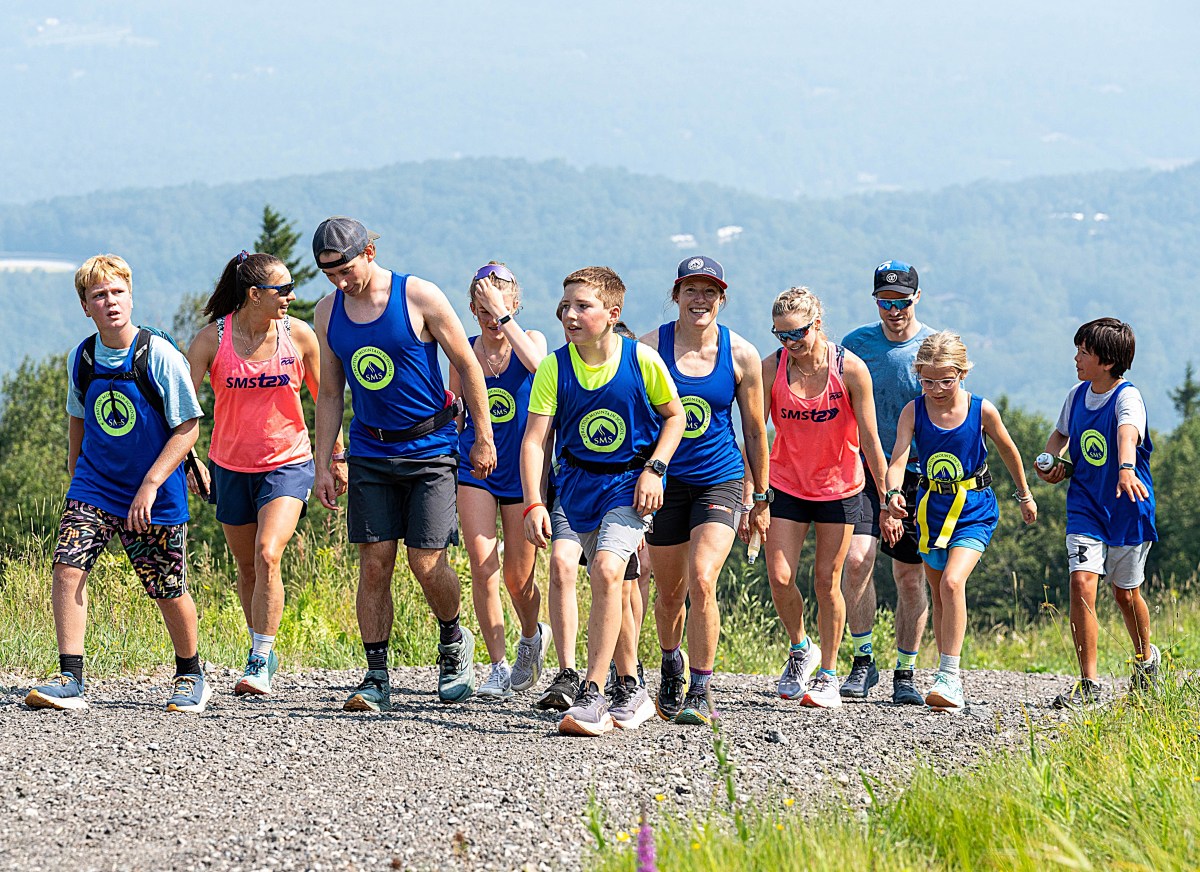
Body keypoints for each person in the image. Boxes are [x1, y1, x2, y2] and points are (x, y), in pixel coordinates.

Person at [311, 217, 496, 711]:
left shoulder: (419, 296)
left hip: (430, 448)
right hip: (370, 451)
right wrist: (324, 460)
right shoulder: (328, 312)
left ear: (369, 251)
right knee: (375, 565)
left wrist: (483, 437)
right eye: (329, 273)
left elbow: (468, 363)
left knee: (426, 562)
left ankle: (454, 641)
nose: (340, 281)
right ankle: (375, 676)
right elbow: (331, 392)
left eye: (346, 269)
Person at [25, 254, 210, 713]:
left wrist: (150, 484)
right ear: (85, 306)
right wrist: (77, 477)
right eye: (99, 295)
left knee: (166, 587)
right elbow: (78, 418)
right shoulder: (82, 357)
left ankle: (191, 674)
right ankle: (70, 678)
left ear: (131, 295)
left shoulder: (158, 355)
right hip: (95, 485)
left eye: (117, 292)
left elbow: (188, 427)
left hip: (155, 490)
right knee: (68, 565)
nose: (110, 302)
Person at [521, 266, 685, 736]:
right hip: (576, 487)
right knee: (612, 584)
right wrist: (534, 502)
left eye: (583, 306)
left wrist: (656, 469)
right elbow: (535, 442)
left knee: (608, 571)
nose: (569, 315)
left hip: (630, 484)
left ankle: (592, 693)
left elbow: (673, 418)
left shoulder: (643, 361)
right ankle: (631, 686)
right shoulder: (554, 366)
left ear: (613, 314)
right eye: (565, 305)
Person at [186, 250, 343, 696]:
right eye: (283, 290)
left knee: (268, 552)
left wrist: (336, 457)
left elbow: (327, 398)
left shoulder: (301, 337)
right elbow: (179, 406)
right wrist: (190, 458)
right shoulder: (210, 341)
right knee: (248, 566)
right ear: (254, 294)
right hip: (230, 466)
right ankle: (263, 648)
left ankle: (258, 657)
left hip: (288, 463)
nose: (292, 297)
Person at [640, 256, 768, 726]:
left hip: (721, 478)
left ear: (722, 298)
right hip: (664, 484)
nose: (700, 299)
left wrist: (761, 497)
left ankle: (701, 686)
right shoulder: (650, 347)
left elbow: (755, 431)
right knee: (669, 593)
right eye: (691, 290)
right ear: (676, 295)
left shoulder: (742, 355)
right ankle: (670, 663)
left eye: (709, 291)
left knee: (703, 578)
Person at [885, 331, 1037, 712]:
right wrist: (892, 495)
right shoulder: (913, 411)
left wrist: (1025, 494)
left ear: (963, 374)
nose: (936, 389)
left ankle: (951, 677)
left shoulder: (981, 410)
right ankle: (942, 673)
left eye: (946, 380)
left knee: (953, 583)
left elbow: (1009, 451)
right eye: (928, 380)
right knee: (939, 595)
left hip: (974, 509)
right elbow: (898, 460)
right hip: (930, 510)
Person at [762, 287, 895, 709]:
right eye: (781, 334)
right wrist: (754, 492)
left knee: (826, 582)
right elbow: (753, 433)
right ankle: (802, 649)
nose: (790, 342)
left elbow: (871, 439)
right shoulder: (772, 368)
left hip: (839, 487)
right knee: (780, 577)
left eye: (797, 333)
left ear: (817, 324)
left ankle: (829, 674)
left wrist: (889, 491)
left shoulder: (850, 369)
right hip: (786, 482)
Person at [1037, 318, 1158, 708]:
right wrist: (1050, 459)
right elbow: (1061, 435)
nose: (1076, 358)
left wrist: (1126, 469)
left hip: (1128, 508)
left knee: (1125, 594)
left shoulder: (1128, 398)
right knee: (1082, 582)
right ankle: (1089, 683)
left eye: (1083, 352)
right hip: (1086, 504)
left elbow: (1128, 434)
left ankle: (1145, 659)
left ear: (1106, 361)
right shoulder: (1076, 395)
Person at [450, 263, 550, 700]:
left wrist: (506, 323)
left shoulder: (534, 341)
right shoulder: (465, 348)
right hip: (475, 467)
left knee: (517, 576)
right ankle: (496, 664)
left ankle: (532, 634)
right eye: (484, 310)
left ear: (515, 304)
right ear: (472, 310)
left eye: (500, 308)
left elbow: (543, 371)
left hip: (521, 471)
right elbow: (454, 411)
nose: (492, 319)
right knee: (482, 563)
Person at [840, 260, 937, 704]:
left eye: (901, 302)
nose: (893, 310)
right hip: (859, 468)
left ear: (917, 298)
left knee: (909, 577)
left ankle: (906, 669)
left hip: (919, 472)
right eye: (885, 302)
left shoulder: (934, 346)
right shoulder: (855, 345)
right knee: (857, 559)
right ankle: (863, 660)